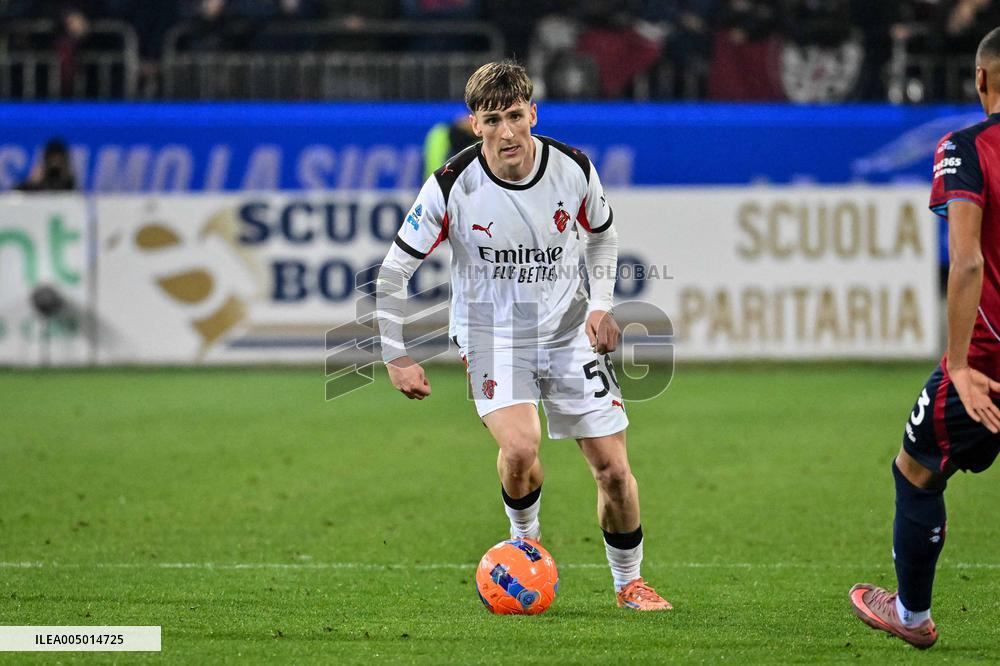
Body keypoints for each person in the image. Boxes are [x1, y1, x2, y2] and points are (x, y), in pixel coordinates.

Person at [375, 60, 671, 611]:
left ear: (532, 113)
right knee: (519, 449)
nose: (507, 132)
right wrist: (396, 356)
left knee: (613, 470)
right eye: (493, 119)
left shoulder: (573, 168)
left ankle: (629, 581)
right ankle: (526, 546)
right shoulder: (450, 185)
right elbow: (393, 272)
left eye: (515, 116)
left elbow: (602, 236)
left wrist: (602, 305)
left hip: (566, 334)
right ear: (474, 124)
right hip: (491, 335)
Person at [849, 26, 1000, 649]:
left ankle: (911, 615)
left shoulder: (967, 148)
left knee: (916, 469)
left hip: (989, 362)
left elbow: (967, 263)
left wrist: (959, 363)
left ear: (982, 78)